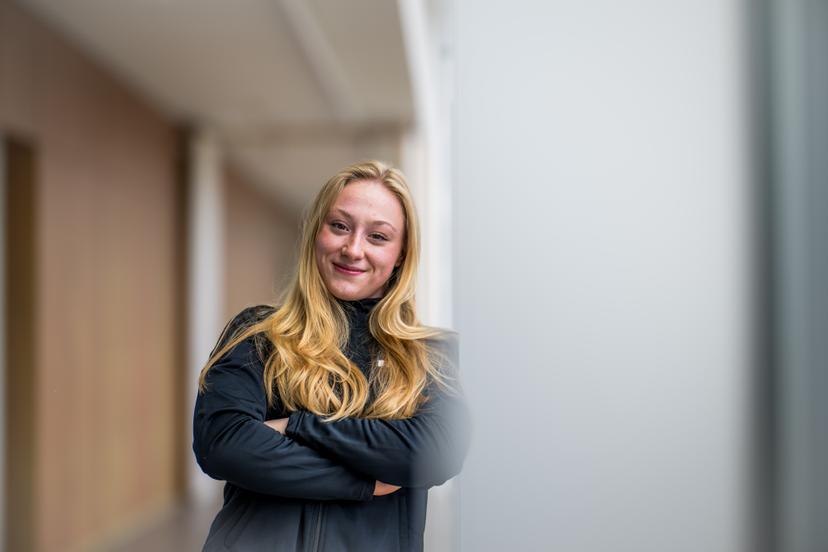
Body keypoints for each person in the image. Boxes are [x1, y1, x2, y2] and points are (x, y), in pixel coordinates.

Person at [192, 160, 472, 551]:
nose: (352, 249)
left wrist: (296, 426)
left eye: (377, 236)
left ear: (400, 254)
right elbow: (223, 443)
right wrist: (364, 482)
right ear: (316, 232)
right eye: (339, 226)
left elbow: (434, 452)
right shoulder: (260, 334)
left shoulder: (431, 355)